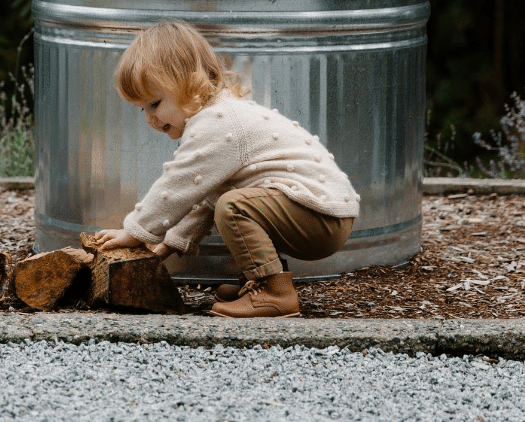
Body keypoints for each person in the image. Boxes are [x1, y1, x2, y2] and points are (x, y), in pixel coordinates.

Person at [91, 20, 359, 318]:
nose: (149, 119)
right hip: (318, 213)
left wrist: (136, 230)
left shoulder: (217, 122)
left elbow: (177, 185)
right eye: (142, 109)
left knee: (232, 207)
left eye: (154, 103)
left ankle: (275, 292)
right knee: (228, 200)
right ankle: (259, 282)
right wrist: (167, 244)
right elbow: (202, 198)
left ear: (189, 82)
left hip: (320, 217)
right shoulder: (216, 117)